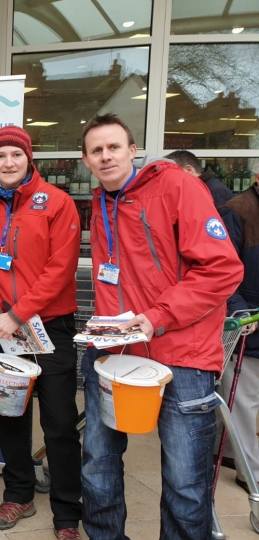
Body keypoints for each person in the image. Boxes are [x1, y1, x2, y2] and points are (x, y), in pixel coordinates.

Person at [79, 113, 242, 540]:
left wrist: (157, 317)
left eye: (114, 146)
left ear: (133, 150)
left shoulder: (177, 186)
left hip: (183, 356)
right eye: (96, 150)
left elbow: (223, 269)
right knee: (98, 461)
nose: (106, 155)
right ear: (86, 160)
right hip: (115, 353)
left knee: (186, 480)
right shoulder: (100, 202)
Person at [0, 126, 83, 539]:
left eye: (15, 154)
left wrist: (18, 313)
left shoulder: (57, 202)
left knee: (59, 423)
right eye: (0, 156)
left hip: (48, 325)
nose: (8, 162)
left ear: (29, 157)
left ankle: (67, 513)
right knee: (10, 415)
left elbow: (61, 268)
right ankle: (18, 492)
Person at [217, 160, 259, 493]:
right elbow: (221, 269)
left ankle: (232, 453)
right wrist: (239, 310)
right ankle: (251, 473)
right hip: (248, 324)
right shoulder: (237, 211)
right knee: (243, 401)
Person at [164, 150, 233, 207]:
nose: (171, 177)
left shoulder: (216, 191)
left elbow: (223, 221)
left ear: (189, 170)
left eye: (173, 172)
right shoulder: (200, 187)